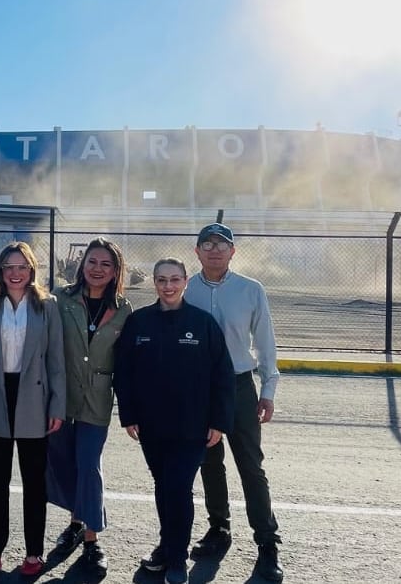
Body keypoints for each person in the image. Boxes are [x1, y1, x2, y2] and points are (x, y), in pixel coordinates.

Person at [113, 258, 235, 584]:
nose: (169, 286)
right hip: (151, 427)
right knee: (163, 487)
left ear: (184, 282)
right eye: (162, 280)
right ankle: (167, 547)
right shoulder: (139, 322)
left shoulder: (203, 323)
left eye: (175, 279)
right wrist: (128, 415)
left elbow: (222, 377)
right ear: (154, 283)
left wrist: (219, 422)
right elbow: (123, 373)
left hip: (191, 428)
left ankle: (177, 560)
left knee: (178, 489)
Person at [181, 222, 284, 582]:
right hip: (199, 389)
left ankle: (267, 543)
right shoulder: (184, 288)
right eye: (206, 244)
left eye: (221, 244)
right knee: (209, 461)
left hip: (239, 386)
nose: (213, 250)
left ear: (232, 251)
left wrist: (268, 389)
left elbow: (266, 342)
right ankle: (219, 528)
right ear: (196, 252)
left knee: (250, 466)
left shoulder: (251, 290)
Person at [0, 242, 65, 578]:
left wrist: (57, 405)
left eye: (22, 266)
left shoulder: (48, 306)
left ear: (32, 269)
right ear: (0, 271)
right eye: (9, 266)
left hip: (34, 399)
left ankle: (34, 553)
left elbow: (56, 361)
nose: (16, 273)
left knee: (35, 482)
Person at [46, 237, 133, 575]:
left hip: (97, 400)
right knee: (65, 464)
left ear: (115, 272)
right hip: (60, 396)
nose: (98, 269)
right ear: (82, 265)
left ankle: (92, 541)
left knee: (89, 465)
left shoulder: (124, 309)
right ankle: (76, 521)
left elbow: (128, 363)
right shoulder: (59, 299)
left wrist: (131, 409)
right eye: (92, 262)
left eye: (106, 265)